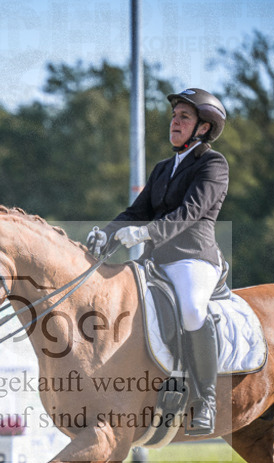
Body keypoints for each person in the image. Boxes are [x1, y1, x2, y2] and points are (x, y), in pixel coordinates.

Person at [88, 88, 229, 436]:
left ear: (203, 128)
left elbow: (190, 213)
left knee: (194, 310)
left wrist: (147, 233)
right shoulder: (163, 168)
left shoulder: (213, 164)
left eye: (184, 117)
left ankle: (206, 399)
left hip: (193, 258)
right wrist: (107, 233)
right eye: (174, 116)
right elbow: (136, 211)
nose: (175, 122)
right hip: (155, 260)